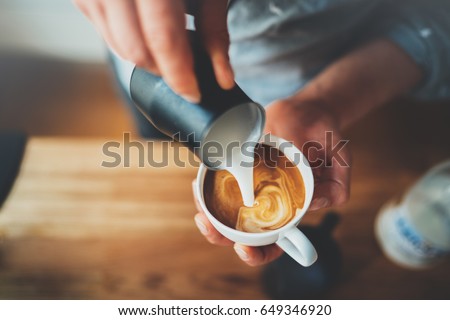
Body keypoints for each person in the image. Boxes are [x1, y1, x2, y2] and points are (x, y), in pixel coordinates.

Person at [74, 0, 450, 266]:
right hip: (158, 79)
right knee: (157, 153)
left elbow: (437, 19)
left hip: (325, 73)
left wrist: (325, 101)